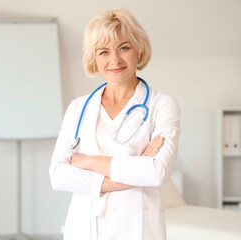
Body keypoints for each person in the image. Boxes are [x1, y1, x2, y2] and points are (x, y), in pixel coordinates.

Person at [49, 8, 181, 240]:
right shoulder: (78, 108)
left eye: (124, 47)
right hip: (85, 227)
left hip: (137, 228)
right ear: (94, 58)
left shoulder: (162, 105)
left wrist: (88, 162)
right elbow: (58, 175)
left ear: (139, 50)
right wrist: (135, 168)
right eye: (103, 52)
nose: (115, 60)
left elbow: (157, 172)